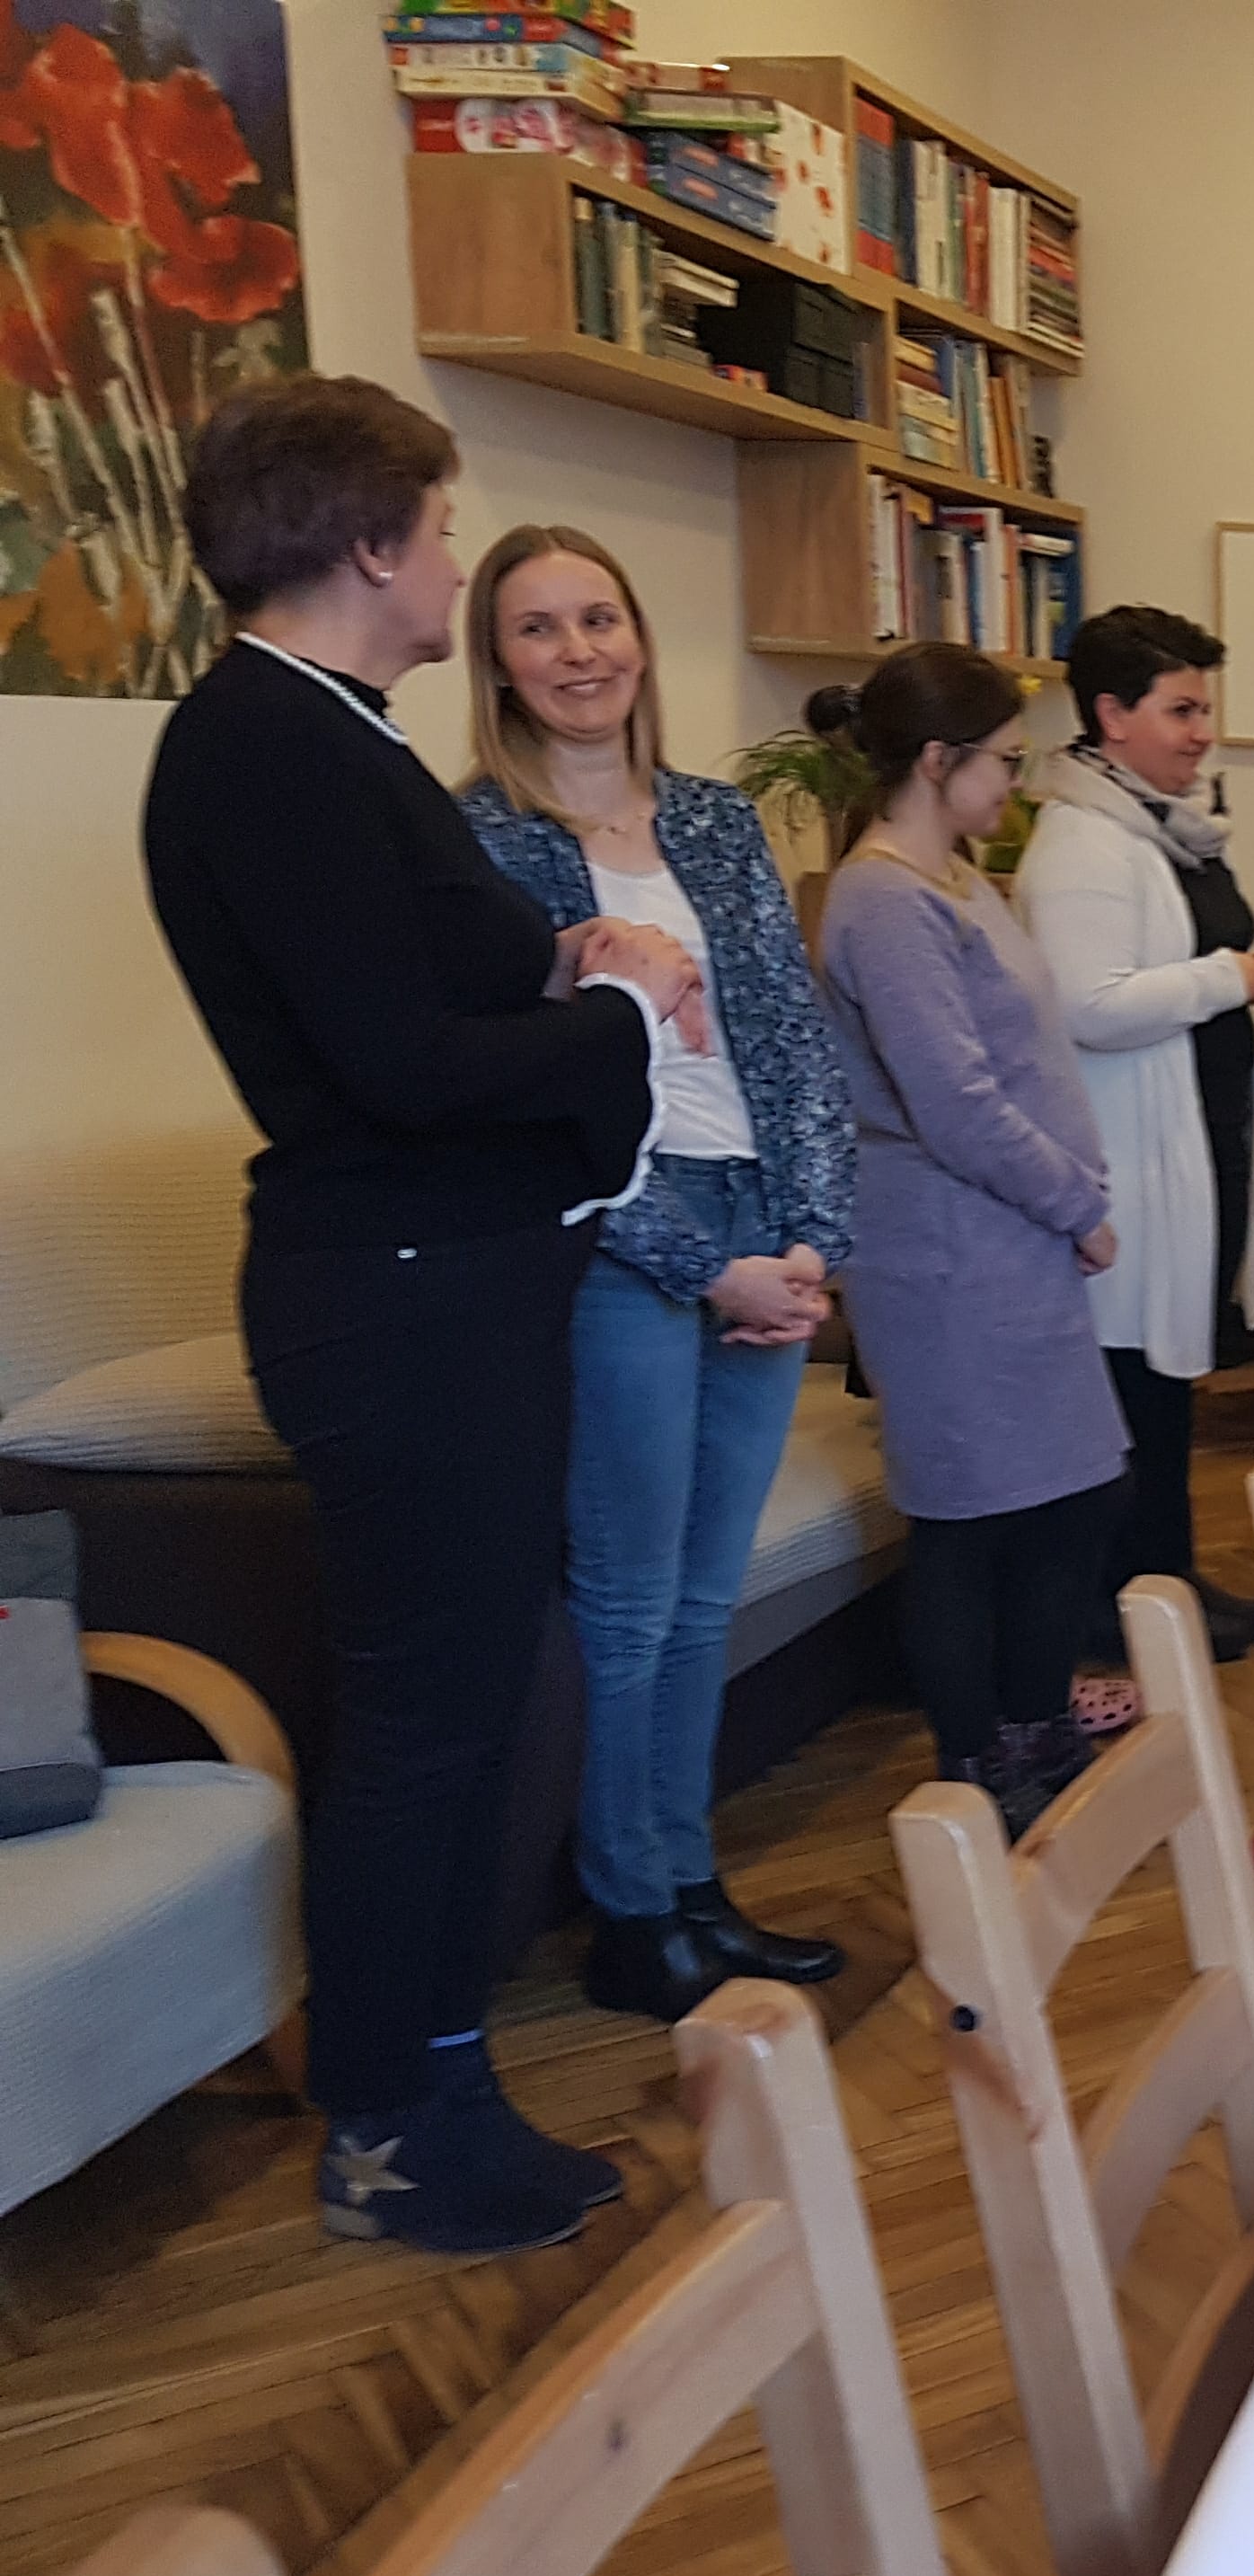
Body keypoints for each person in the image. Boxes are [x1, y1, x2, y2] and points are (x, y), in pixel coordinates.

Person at [143, 375, 703, 2255]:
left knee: (462, 1711)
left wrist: (562, 954)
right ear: (370, 543)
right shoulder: (265, 748)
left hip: (442, 1290)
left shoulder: (324, 734)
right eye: (446, 532)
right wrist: (615, 1011)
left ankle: (441, 2081)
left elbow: (409, 988)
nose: (456, 565)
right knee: (423, 1730)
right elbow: (391, 1066)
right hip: (398, 1304)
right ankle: (391, 2124)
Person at [457, 525, 855, 2023]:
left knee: (703, 1594)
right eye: (539, 627)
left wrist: (807, 1240)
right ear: (498, 663)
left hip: (761, 1216)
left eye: (599, 617)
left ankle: (691, 1884)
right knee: (626, 1601)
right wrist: (710, 1268)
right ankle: (631, 1913)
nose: (579, 651)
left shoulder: (714, 819)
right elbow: (532, 1109)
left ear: (637, 636)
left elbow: (791, 1040)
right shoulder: (481, 844)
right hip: (619, 1235)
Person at [810, 644, 1126, 1837]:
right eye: (1004, 759)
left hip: (1010, 1243)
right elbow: (956, 1104)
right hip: (948, 1254)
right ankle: (977, 1760)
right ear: (938, 761)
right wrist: (1076, 1204)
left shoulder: (952, 876)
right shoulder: (883, 899)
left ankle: (1035, 1724)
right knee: (969, 1520)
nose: (1017, 780)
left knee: (1068, 1499)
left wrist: (1064, 1201)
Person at [1020, 605, 1254, 1681]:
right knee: (1133, 1381)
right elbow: (1089, 1004)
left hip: (1195, 1128)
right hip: (1132, 1154)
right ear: (1111, 715)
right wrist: (1230, 976)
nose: (1201, 733)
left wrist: (1237, 977)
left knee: (1169, 1381)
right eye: (1181, 711)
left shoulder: (1153, 828)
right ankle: (1126, 1601)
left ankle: (1168, 1577)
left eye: (1202, 709)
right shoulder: (1082, 843)